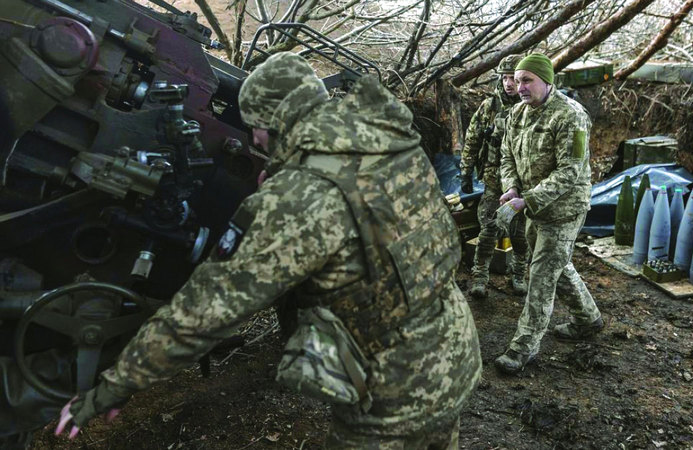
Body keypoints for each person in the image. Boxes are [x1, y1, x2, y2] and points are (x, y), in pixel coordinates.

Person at [55, 52, 482, 448]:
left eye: (254, 124)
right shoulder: (385, 140)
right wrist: (284, 171)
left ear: (275, 122)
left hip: (396, 390)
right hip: (455, 348)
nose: (252, 136)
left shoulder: (298, 198)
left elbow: (206, 311)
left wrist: (112, 388)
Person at [493, 53, 604, 375]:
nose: (520, 86)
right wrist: (512, 188)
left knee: (541, 275)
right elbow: (506, 156)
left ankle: (522, 348)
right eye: (517, 79)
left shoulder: (571, 116)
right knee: (556, 263)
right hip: (532, 205)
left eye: (528, 80)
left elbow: (571, 170)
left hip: (564, 209)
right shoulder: (516, 114)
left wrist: (527, 199)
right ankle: (588, 318)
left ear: (547, 81)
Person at [460, 54, 529, 299]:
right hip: (493, 179)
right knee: (488, 229)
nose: (509, 84)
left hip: (523, 184)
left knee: (520, 234)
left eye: (514, 78)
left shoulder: (532, 107)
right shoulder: (489, 107)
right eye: (505, 78)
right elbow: (472, 140)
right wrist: (465, 172)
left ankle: (518, 274)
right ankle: (480, 277)